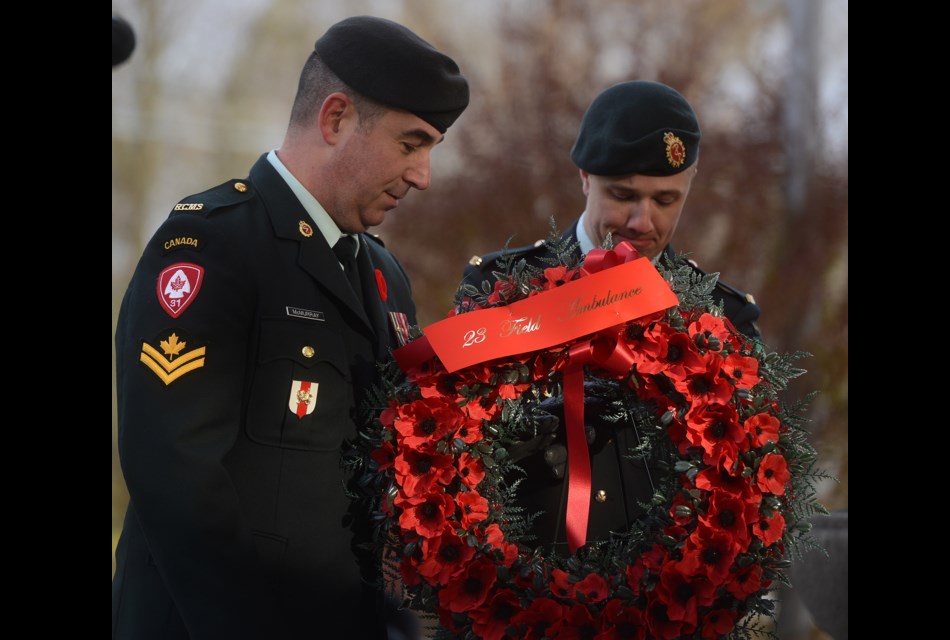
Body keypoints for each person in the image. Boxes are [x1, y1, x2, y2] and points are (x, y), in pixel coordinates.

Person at [112, 16, 469, 640]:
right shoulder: (212, 244)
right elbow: (176, 473)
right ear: (335, 119)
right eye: (411, 144)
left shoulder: (383, 276)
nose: (423, 176)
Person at [460, 80, 760, 555]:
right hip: (526, 586)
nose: (643, 221)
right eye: (623, 194)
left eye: (666, 200)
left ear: (692, 180)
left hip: (667, 598)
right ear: (584, 176)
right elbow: (454, 441)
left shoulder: (724, 317)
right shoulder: (502, 289)